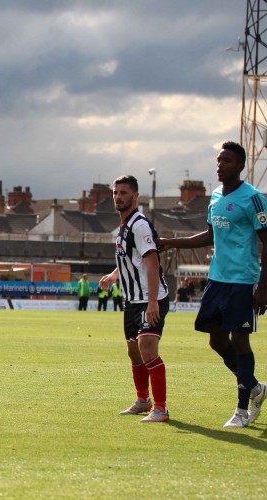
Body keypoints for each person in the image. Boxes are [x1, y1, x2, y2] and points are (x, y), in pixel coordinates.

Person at [158, 141, 267, 428]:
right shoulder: (216, 196)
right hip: (217, 280)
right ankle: (255, 388)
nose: (220, 165)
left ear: (241, 166)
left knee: (240, 341)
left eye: (227, 161)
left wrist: (264, 286)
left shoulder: (253, 198)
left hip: (243, 281)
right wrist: (172, 243)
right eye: (219, 160)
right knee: (216, 340)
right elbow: (209, 235)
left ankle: (243, 410)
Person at [99, 175, 170, 423]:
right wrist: (113, 275)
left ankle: (160, 408)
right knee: (134, 352)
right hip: (131, 301)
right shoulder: (124, 226)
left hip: (149, 299)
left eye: (124, 193)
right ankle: (143, 400)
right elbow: (132, 260)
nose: (118, 197)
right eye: (116, 192)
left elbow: (151, 263)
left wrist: (152, 302)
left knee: (147, 349)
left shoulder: (139, 225)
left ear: (135, 196)